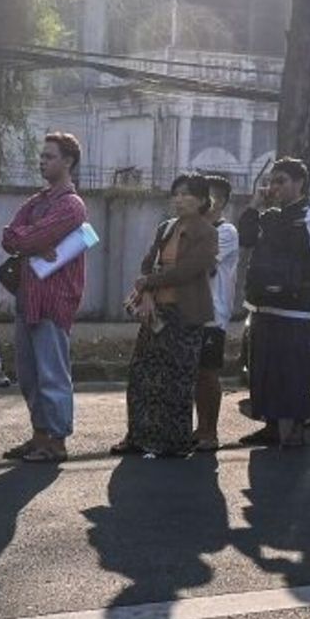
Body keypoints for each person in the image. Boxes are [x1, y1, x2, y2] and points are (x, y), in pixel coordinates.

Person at [111, 174, 219, 458]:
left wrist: (149, 283)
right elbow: (147, 264)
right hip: (156, 313)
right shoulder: (166, 227)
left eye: (187, 194)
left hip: (185, 315)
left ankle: (174, 440)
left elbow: (188, 271)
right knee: (141, 376)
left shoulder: (207, 232)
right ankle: (137, 435)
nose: (180, 199)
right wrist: (146, 291)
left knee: (177, 380)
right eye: (176, 194)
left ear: (202, 200)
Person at [1, 132, 89, 463]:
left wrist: (31, 240)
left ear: (68, 161)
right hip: (28, 296)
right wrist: (33, 241)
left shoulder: (70, 204)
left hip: (53, 300)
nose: (42, 161)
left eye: (49, 156)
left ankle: (56, 440)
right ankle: (39, 436)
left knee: (52, 373)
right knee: (29, 375)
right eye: (42, 156)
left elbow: (25, 238)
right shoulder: (38, 201)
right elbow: (10, 238)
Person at [239, 159, 310, 448]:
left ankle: (297, 427)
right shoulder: (269, 214)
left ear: (300, 182)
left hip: (292, 304)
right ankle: (271, 425)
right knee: (262, 369)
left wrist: (272, 219)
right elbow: (246, 237)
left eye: (281, 181)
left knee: (291, 369)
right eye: (272, 181)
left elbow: (299, 243)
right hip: (261, 303)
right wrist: (254, 205)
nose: (274, 187)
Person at [192, 174, 238, 451]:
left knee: (208, 373)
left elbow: (203, 265)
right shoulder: (189, 228)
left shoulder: (226, 232)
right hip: (189, 311)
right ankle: (199, 428)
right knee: (195, 373)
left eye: (212, 196)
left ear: (221, 201)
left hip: (213, 313)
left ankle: (211, 431)